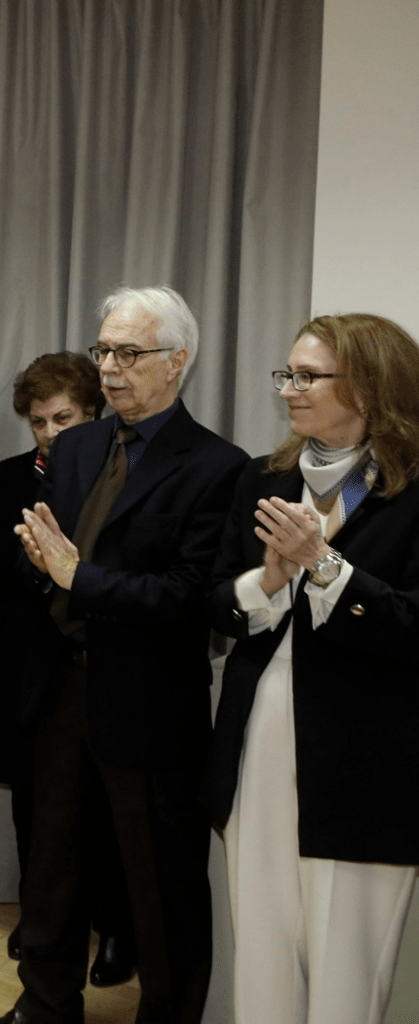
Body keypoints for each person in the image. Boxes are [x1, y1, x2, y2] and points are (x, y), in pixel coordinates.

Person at [0, 286, 248, 1024]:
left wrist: (78, 576)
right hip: (62, 685)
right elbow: (59, 559)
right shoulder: (75, 447)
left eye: (129, 353)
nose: (109, 368)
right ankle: (44, 1005)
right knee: (51, 865)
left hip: (149, 699)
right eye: (103, 350)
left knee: (161, 884)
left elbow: (191, 597)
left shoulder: (217, 465)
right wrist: (43, 565)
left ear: (176, 361)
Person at [205, 313, 419, 1024]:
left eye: (307, 376)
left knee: (343, 972)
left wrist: (324, 566)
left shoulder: (413, 487)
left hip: (366, 760)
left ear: (369, 385)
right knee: (262, 949)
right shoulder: (261, 477)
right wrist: (268, 580)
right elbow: (217, 604)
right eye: (287, 374)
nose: (288, 389)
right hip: (258, 739)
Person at [0, 352, 135, 985]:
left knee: (107, 802)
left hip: (95, 658)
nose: (50, 433)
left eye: (63, 419)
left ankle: (115, 927)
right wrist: (38, 565)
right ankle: (41, 915)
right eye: (38, 421)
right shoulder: (14, 473)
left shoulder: (119, 471)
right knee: (31, 795)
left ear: (93, 414)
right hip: (22, 653)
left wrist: (70, 572)